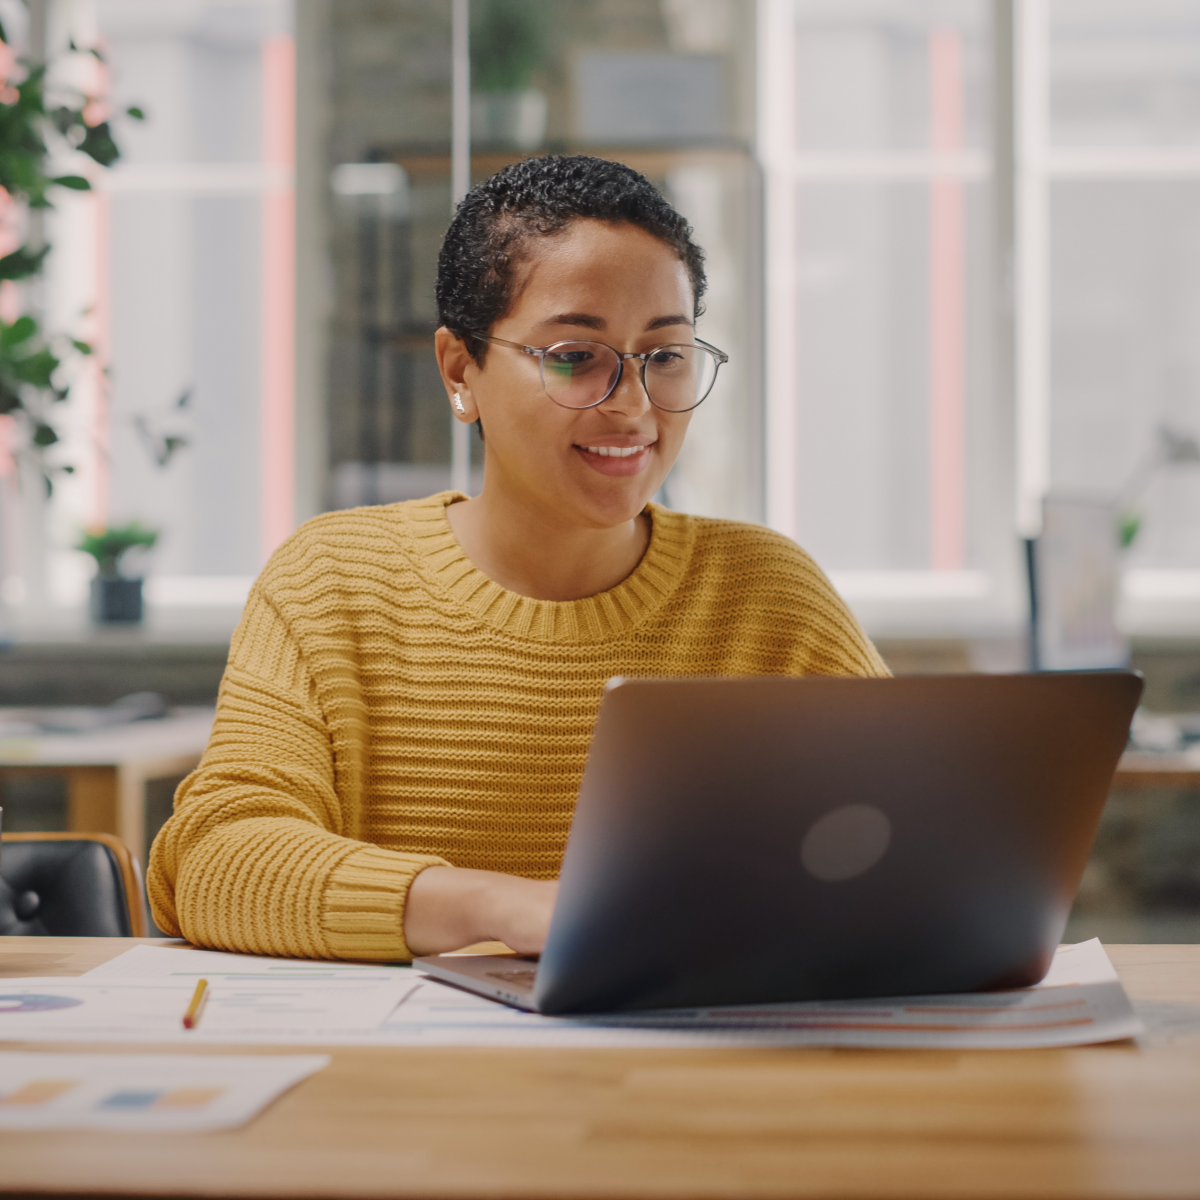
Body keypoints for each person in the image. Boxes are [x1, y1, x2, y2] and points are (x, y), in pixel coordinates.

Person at [147, 155, 888, 962]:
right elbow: (216, 860)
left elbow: (921, 841)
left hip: (701, 1063)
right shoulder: (333, 582)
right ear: (461, 371)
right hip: (419, 1080)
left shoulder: (768, 594)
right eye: (576, 356)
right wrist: (500, 906)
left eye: (666, 356)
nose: (634, 406)